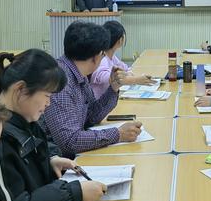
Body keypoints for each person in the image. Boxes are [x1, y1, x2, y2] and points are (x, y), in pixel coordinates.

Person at [0, 49, 106, 201]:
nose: (48, 103)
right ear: (21, 90)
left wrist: (49, 160)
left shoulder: (27, 122)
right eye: (47, 95)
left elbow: (38, 155)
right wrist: (75, 194)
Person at [41, 21, 142, 158]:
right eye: (103, 54)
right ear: (95, 57)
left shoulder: (78, 73)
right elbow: (69, 141)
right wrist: (118, 134)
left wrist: (113, 88)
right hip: (59, 162)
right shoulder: (61, 83)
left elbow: (91, 116)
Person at [91, 21, 154, 99]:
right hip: (100, 105)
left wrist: (130, 76)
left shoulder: (112, 57)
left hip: (109, 100)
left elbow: (126, 69)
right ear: (120, 40)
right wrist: (136, 80)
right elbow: (110, 79)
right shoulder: (102, 59)